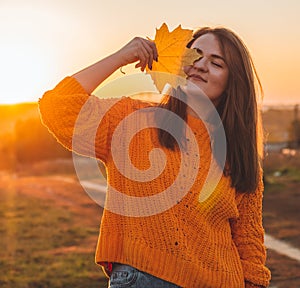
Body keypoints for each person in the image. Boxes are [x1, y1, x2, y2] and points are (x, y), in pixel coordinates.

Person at [39, 26, 271, 288]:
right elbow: (57, 107)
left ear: (233, 83)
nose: (200, 65)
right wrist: (121, 57)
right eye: (194, 55)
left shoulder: (237, 156)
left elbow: (249, 244)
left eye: (216, 63)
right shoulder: (132, 120)